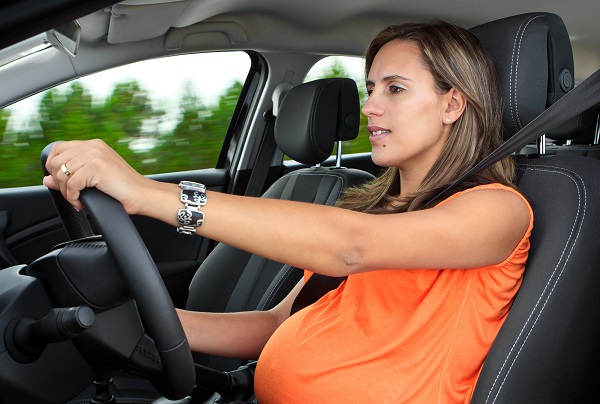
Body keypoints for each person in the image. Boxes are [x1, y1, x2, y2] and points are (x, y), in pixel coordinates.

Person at [44, 21, 533, 403]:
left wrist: (149, 194)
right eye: (371, 88)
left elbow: (350, 247)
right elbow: (278, 323)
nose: (370, 108)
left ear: (452, 104)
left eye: (395, 89)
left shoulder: (496, 209)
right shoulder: (374, 212)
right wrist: (153, 321)